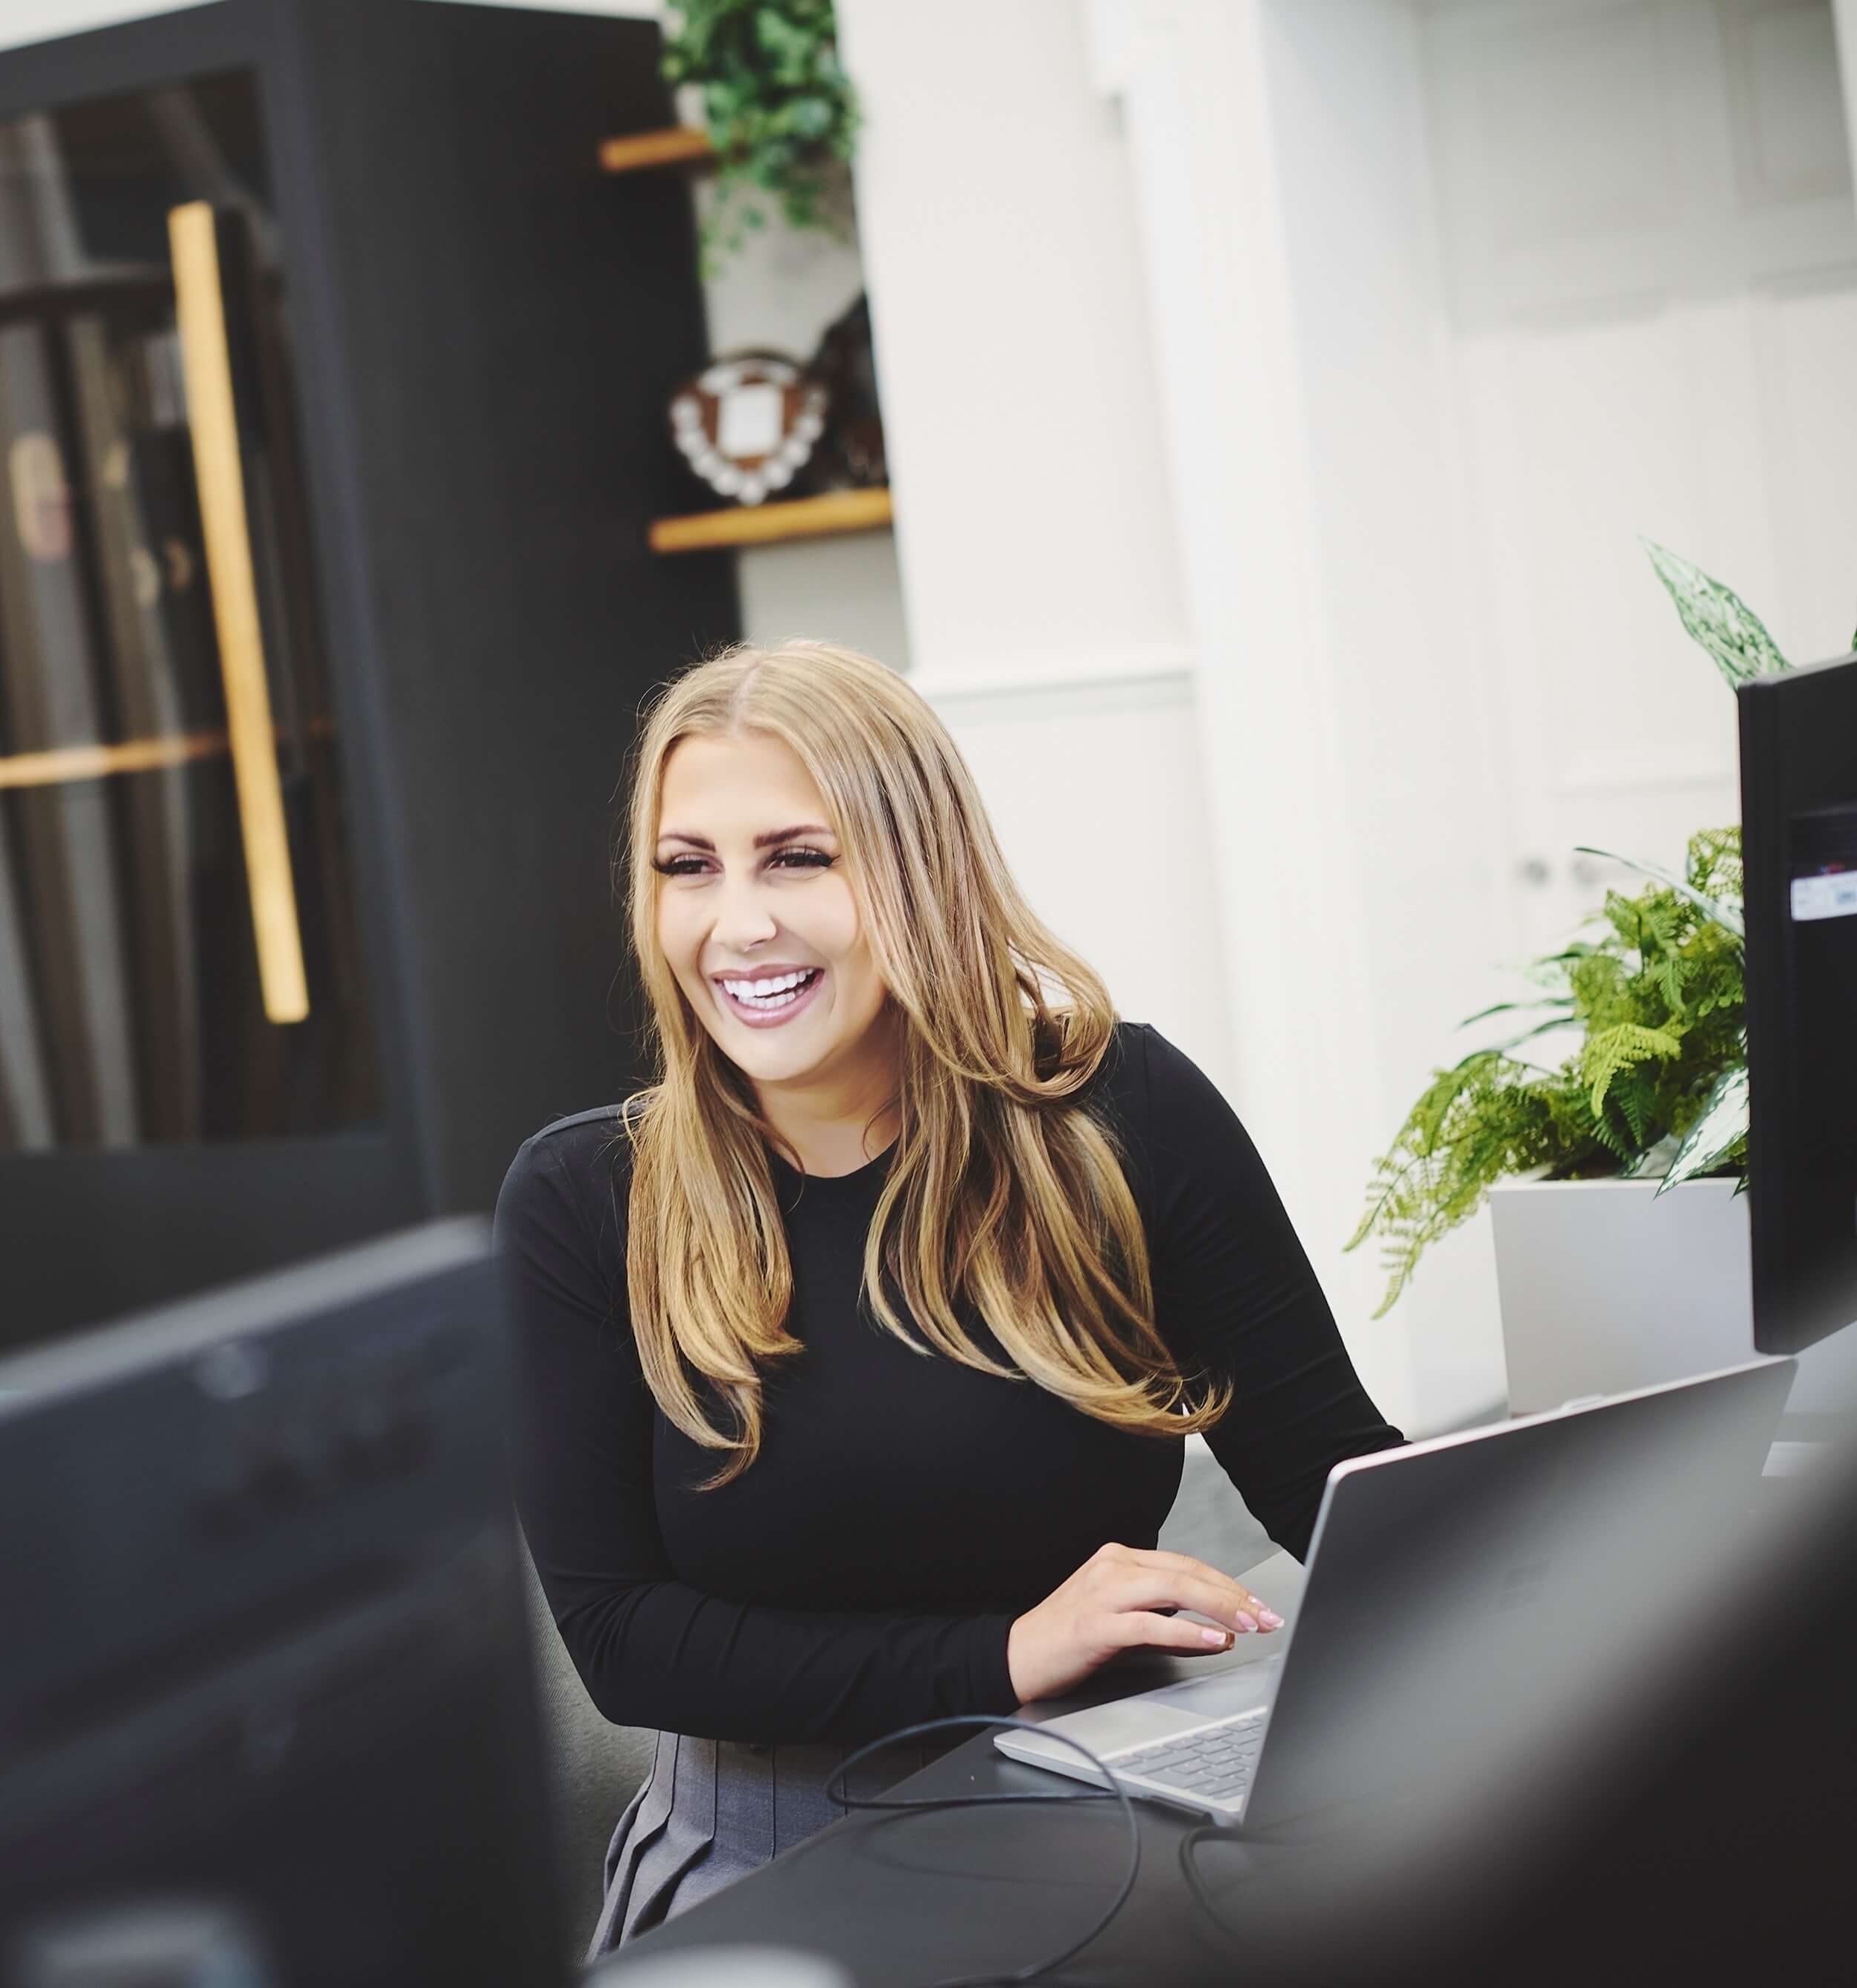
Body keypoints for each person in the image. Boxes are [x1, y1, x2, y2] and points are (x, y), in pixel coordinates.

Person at [499, 641, 1404, 1953]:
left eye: (799, 857)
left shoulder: (1116, 1114)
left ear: (920, 870)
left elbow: (1333, 1478)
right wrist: (1003, 1657)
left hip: (1114, 1807)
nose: (737, 922)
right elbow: (622, 1641)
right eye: (687, 866)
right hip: (768, 1864)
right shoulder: (590, 1196)